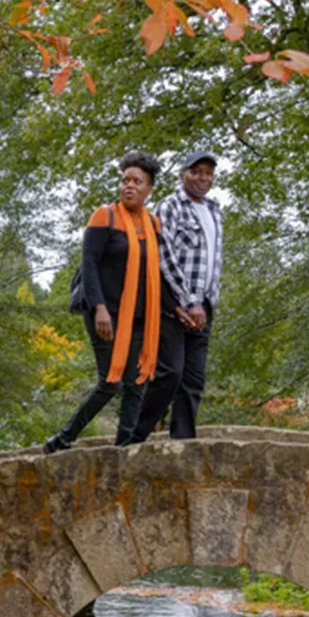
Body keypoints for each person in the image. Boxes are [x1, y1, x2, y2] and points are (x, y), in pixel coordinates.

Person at [44, 152, 169, 454]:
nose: (129, 186)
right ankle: (63, 438)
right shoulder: (105, 216)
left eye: (137, 182)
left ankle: (124, 448)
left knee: (136, 381)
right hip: (105, 312)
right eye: (125, 180)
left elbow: (157, 272)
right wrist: (99, 307)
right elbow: (89, 265)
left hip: (140, 316)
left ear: (149, 188)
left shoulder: (154, 225)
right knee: (109, 382)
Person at [134, 150, 223, 441]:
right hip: (174, 306)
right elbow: (164, 257)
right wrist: (188, 301)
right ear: (182, 174)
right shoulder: (169, 206)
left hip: (204, 308)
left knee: (193, 380)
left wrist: (206, 303)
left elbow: (214, 261)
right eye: (196, 171)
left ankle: (183, 441)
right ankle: (134, 436)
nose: (203, 177)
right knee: (169, 373)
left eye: (208, 172)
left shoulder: (214, 210)